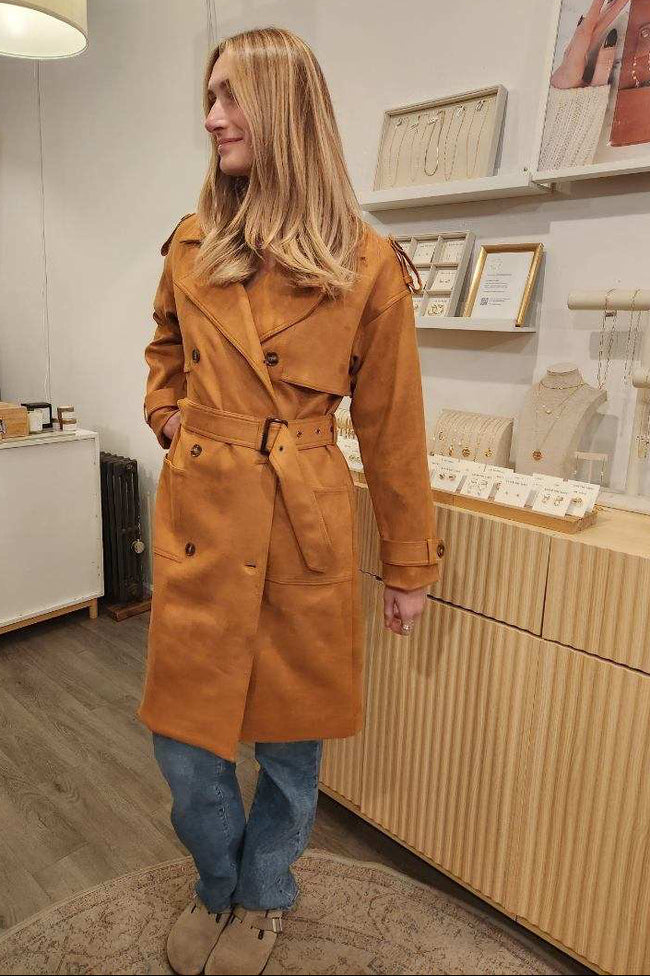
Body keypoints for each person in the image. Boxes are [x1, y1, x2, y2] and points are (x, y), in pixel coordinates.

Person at [140, 25, 445, 976]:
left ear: (285, 109)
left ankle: (264, 896)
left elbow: (394, 433)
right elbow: (164, 350)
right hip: (200, 519)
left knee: (287, 749)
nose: (211, 116)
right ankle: (220, 883)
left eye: (231, 96)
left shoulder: (365, 264)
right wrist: (167, 413)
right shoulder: (192, 245)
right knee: (186, 751)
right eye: (210, 94)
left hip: (305, 521)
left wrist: (408, 566)